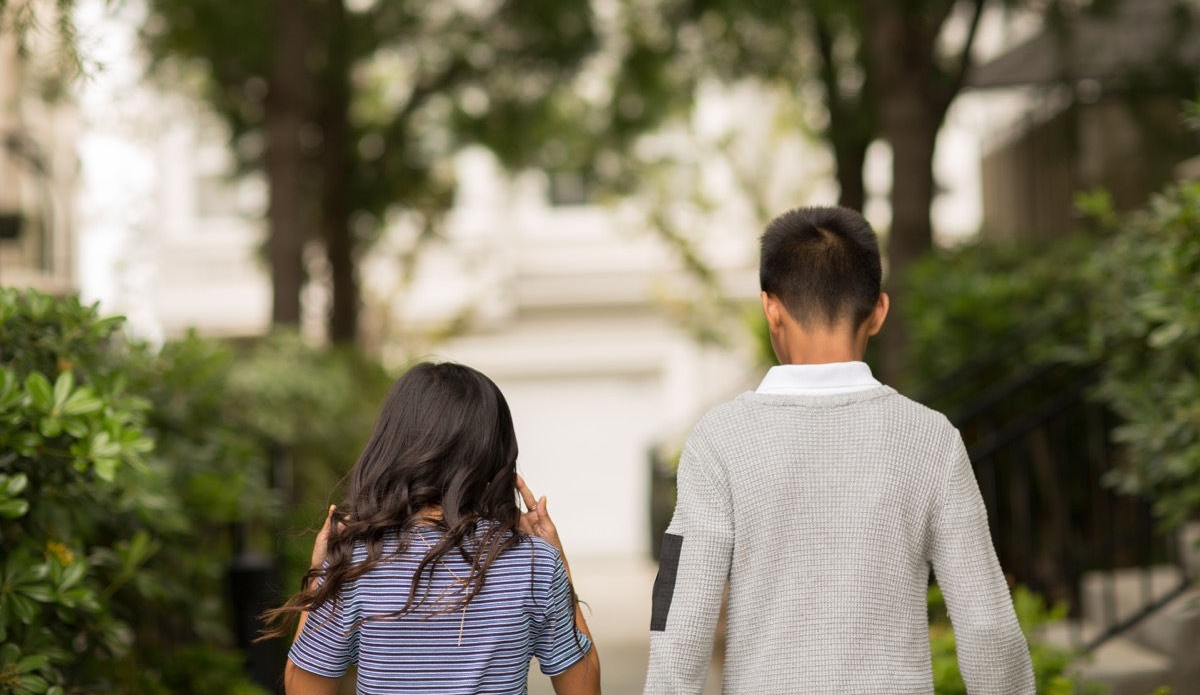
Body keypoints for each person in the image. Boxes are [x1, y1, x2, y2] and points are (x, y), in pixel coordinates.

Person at [643, 206, 1034, 694]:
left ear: (771, 308)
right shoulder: (930, 438)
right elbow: (987, 623)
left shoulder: (719, 439)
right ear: (879, 312)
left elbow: (681, 617)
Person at [264, 361, 600, 695]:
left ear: (391, 444)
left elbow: (304, 687)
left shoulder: (356, 562)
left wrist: (322, 571)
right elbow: (585, 687)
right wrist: (556, 559)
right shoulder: (534, 563)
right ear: (493, 450)